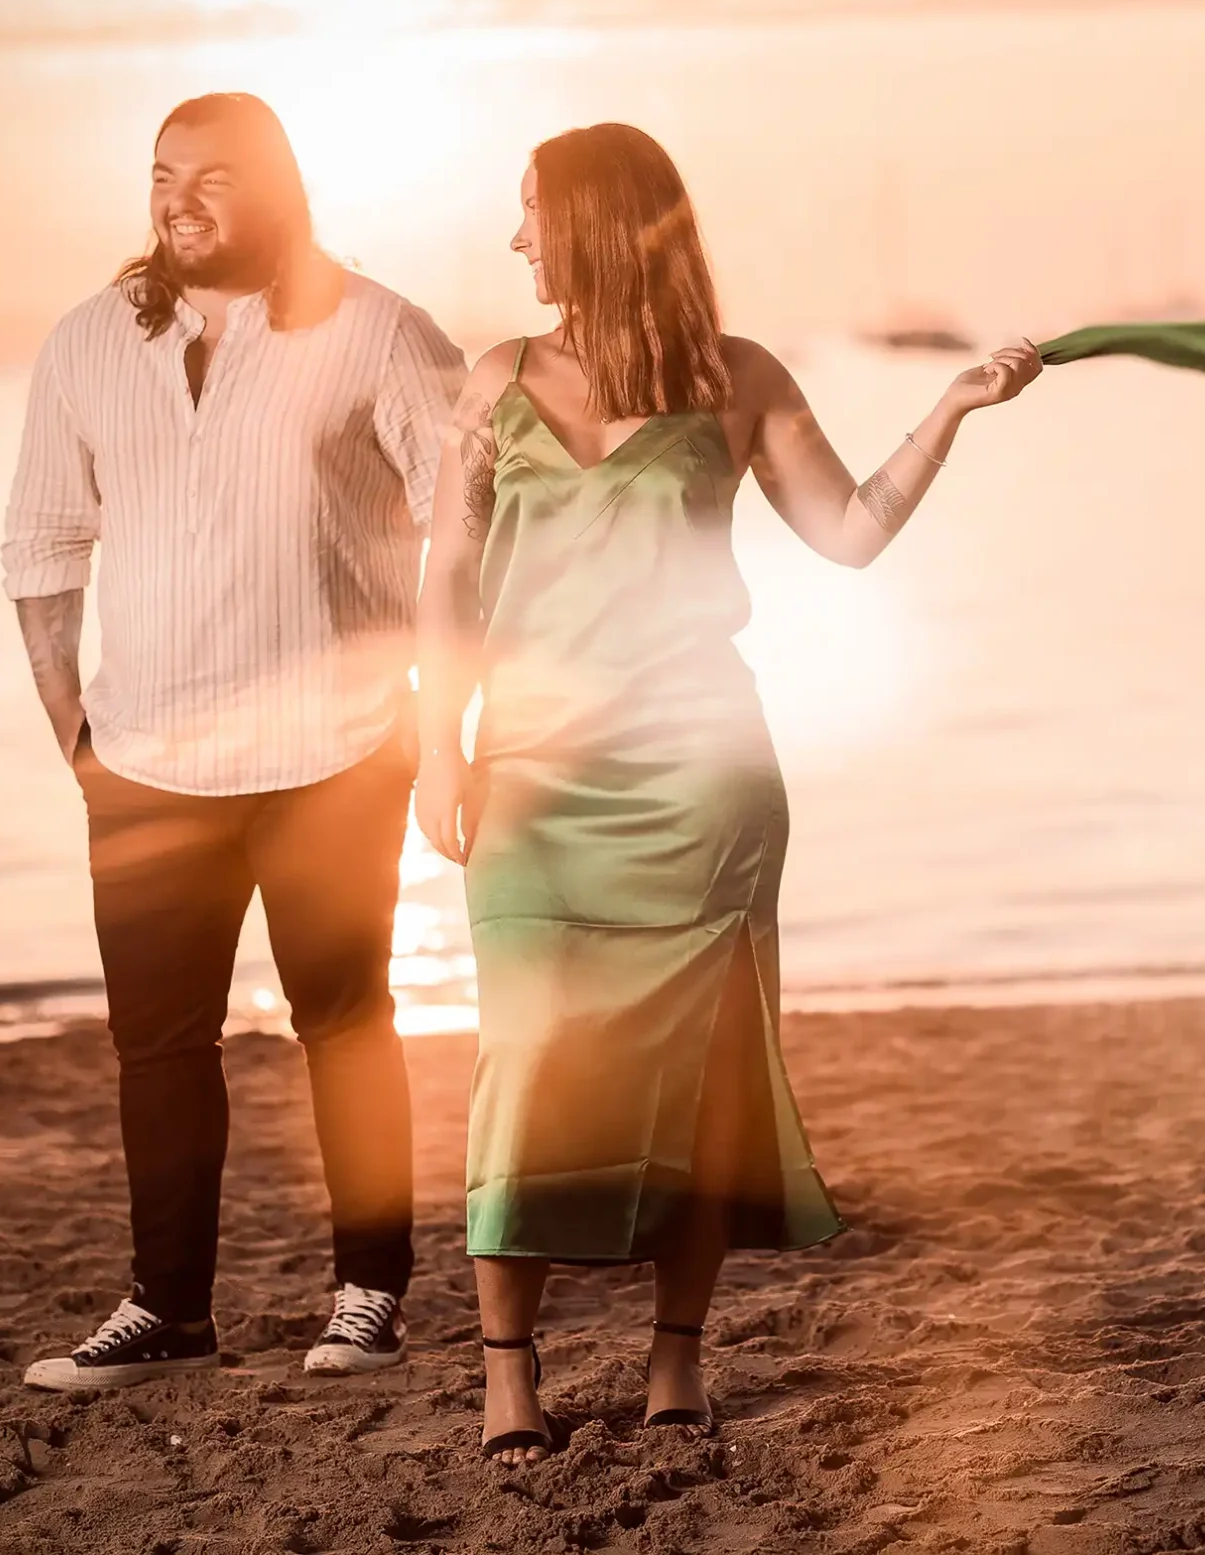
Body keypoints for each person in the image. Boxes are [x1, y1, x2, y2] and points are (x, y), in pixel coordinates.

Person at [415, 122, 1041, 1463]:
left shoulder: (737, 377)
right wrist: (437, 748)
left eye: (533, 214)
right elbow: (448, 586)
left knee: (700, 1087)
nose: (517, 240)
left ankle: (676, 1362)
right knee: (524, 1067)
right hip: (533, 790)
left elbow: (851, 533)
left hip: (702, 793)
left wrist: (948, 411)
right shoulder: (496, 381)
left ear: (595, 224)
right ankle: (508, 1375)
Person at [2, 93, 466, 1389]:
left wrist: (440, 722)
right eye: (164, 174)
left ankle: (369, 1293)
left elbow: (466, 528)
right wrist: (73, 731)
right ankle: (169, 1309)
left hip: (338, 748)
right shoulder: (89, 342)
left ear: (276, 186)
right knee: (157, 1047)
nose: (179, 199)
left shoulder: (377, 330)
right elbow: (42, 539)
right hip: (144, 762)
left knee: (347, 1024)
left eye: (212, 176)